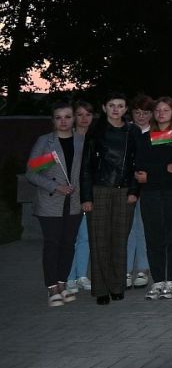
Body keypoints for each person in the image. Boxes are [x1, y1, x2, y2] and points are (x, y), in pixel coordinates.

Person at [79, 92, 139, 305]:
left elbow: (137, 163)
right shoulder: (95, 131)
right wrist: (86, 197)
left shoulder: (132, 131)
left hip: (124, 192)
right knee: (99, 240)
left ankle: (117, 286)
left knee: (119, 241)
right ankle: (101, 289)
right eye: (111, 105)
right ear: (104, 108)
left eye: (120, 106)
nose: (116, 109)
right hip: (99, 190)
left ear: (126, 109)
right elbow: (86, 166)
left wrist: (134, 191)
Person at [132, 97, 172, 300]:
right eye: (158, 110)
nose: (161, 113)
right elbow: (140, 167)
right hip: (150, 195)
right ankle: (158, 281)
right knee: (154, 239)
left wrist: (152, 174)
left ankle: (171, 281)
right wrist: (165, 168)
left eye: (166, 110)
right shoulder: (145, 138)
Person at [27, 103, 84, 307]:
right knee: (52, 244)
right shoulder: (46, 142)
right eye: (58, 117)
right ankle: (51, 287)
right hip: (51, 202)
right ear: (53, 120)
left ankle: (62, 283)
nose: (63, 121)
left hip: (74, 202)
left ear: (74, 119)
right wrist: (55, 186)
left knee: (68, 244)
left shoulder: (81, 141)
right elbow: (32, 173)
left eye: (67, 116)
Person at [66, 100, 95, 295]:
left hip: (90, 195)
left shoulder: (96, 138)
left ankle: (82, 275)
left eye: (88, 114)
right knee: (71, 237)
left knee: (85, 237)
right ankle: (69, 277)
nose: (84, 118)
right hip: (70, 196)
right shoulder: (66, 138)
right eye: (80, 114)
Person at [125, 95, 153, 290]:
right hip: (127, 187)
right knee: (127, 229)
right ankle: (126, 270)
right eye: (137, 112)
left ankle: (143, 268)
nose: (141, 116)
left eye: (145, 112)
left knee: (143, 229)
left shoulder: (158, 133)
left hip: (149, 187)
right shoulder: (126, 131)